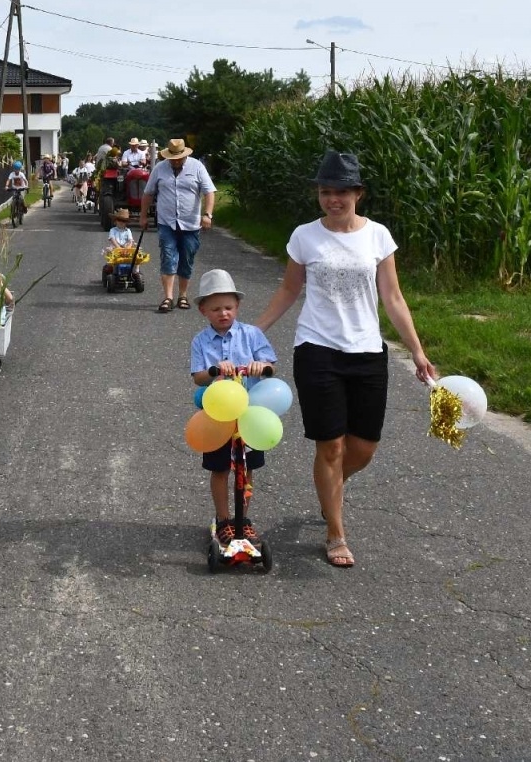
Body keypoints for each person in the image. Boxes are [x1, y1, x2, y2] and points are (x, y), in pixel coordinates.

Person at [254, 151, 437, 569]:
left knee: (364, 447)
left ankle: (330, 487)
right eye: (325, 192)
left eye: (341, 192)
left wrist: (417, 350)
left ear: (358, 194)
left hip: (368, 351)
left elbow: (393, 297)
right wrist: (255, 330)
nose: (332, 199)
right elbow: (289, 290)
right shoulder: (304, 236)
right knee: (331, 446)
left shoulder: (378, 236)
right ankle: (335, 532)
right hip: (317, 349)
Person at [190, 269, 278, 544]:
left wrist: (260, 366)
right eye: (216, 309)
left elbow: (270, 366)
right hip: (218, 414)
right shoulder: (200, 341)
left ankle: (243, 519)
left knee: (247, 466)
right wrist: (214, 370)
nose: (223, 313)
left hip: (249, 414)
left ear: (237, 306)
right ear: (204, 310)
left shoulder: (252, 334)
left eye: (228, 307)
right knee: (220, 468)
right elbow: (198, 377)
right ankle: (223, 518)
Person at [139, 138, 217, 313]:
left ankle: (183, 295)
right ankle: (168, 297)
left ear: (184, 155)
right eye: (172, 158)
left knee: (187, 258)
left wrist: (207, 214)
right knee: (168, 257)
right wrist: (143, 216)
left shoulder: (197, 167)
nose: (174, 161)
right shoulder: (160, 168)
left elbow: (209, 192)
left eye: (178, 158)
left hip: (190, 223)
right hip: (166, 222)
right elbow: (148, 193)